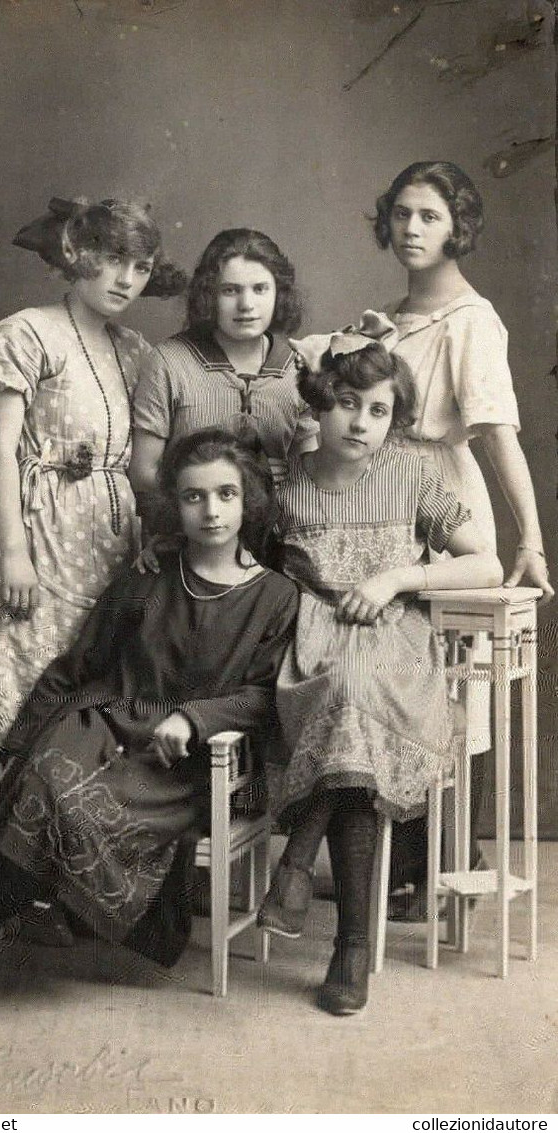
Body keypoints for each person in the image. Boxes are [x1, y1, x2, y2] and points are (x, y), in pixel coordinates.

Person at [0, 429, 298, 1012]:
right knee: (46, 783)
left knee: (75, 809)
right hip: (102, 723)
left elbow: (264, 694)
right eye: (194, 497)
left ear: (247, 499)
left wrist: (196, 719)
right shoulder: (150, 573)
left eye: (226, 494)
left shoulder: (275, 596)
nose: (212, 510)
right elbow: (82, 662)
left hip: (179, 762)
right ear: (176, 502)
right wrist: (18, 749)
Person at [255, 315, 503, 1016]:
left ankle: (306, 872)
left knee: (355, 694)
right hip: (308, 648)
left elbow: (482, 555)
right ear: (317, 402)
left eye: (378, 409)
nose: (360, 422)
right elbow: (252, 570)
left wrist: (396, 579)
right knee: (340, 691)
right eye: (344, 403)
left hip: (393, 644)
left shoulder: (414, 470)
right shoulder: (284, 484)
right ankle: (350, 949)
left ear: (394, 417)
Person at [374, 161, 552, 914]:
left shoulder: (471, 321)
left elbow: (499, 434)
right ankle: (402, 863)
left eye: (431, 216)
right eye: (404, 213)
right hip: (381, 504)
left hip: (444, 505)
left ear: (458, 228)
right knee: (391, 675)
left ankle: (450, 863)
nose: (413, 228)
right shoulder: (390, 319)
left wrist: (531, 540)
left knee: (453, 686)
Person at [0, 197, 185, 739]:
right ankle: (4, 810)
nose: (126, 279)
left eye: (141, 267)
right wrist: (13, 552)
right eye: (112, 259)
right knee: (23, 678)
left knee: (94, 685)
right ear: (76, 253)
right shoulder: (26, 333)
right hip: (38, 532)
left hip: (109, 540)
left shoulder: (133, 350)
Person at [128, 228, 318, 528]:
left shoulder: (298, 365)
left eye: (260, 289)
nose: (246, 305)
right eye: (230, 290)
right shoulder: (169, 362)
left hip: (274, 539)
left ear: (279, 294)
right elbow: (143, 472)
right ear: (209, 295)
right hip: (187, 535)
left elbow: (308, 472)